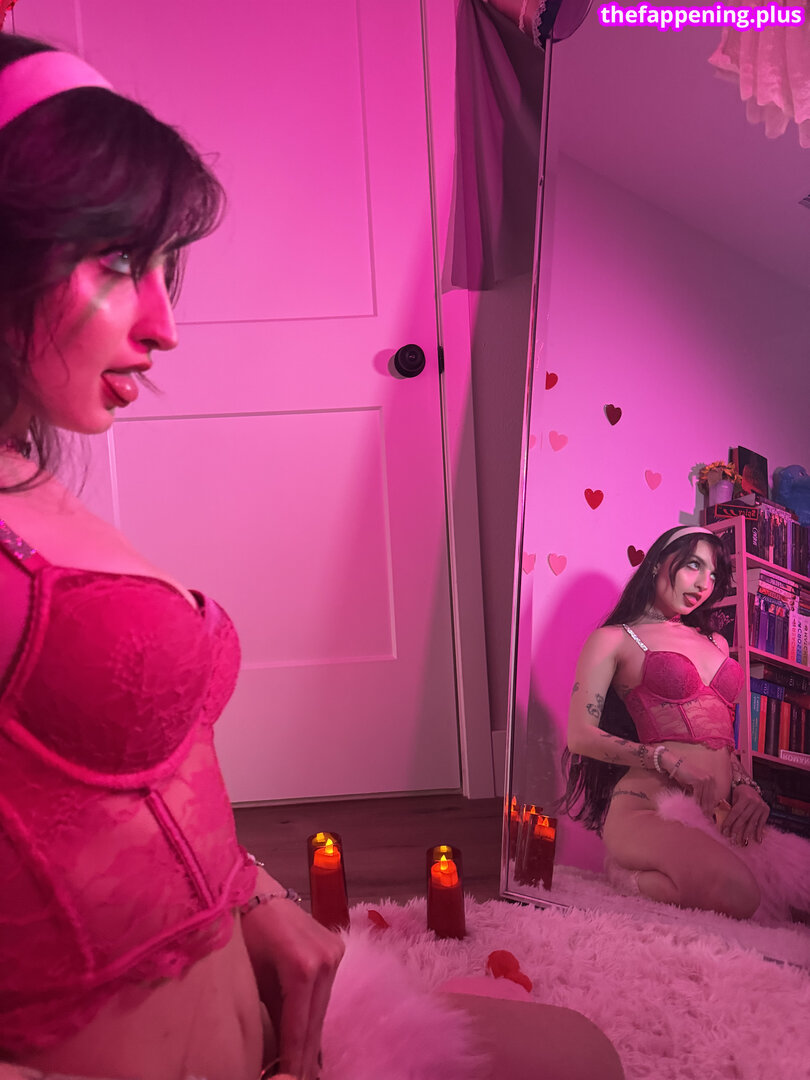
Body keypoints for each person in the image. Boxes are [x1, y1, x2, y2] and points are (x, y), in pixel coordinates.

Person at [0, 33, 627, 1080]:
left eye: (163, 267)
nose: (164, 325)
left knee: (579, 1052)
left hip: (269, 1013)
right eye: (117, 264)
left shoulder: (28, 472)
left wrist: (256, 895)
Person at [561, 524, 810, 923]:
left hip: (715, 815)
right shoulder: (614, 639)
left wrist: (746, 788)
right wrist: (668, 761)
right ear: (657, 562)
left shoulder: (716, 642)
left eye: (713, 574)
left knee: (795, 902)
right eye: (694, 565)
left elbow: (718, 737)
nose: (704, 584)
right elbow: (580, 736)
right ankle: (624, 875)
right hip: (646, 809)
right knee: (739, 893)